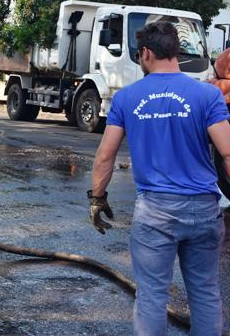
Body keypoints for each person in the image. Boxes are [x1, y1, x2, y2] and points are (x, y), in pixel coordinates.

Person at [89, 21, 230, 335]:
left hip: (155, 214)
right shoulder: (207, 95)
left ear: (146, 54)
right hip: (205, 210)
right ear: (176, 53)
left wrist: (97, 198)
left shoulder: (126, 99)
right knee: (206, 293)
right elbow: (229, 152)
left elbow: (105, 156)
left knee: (152, 296)